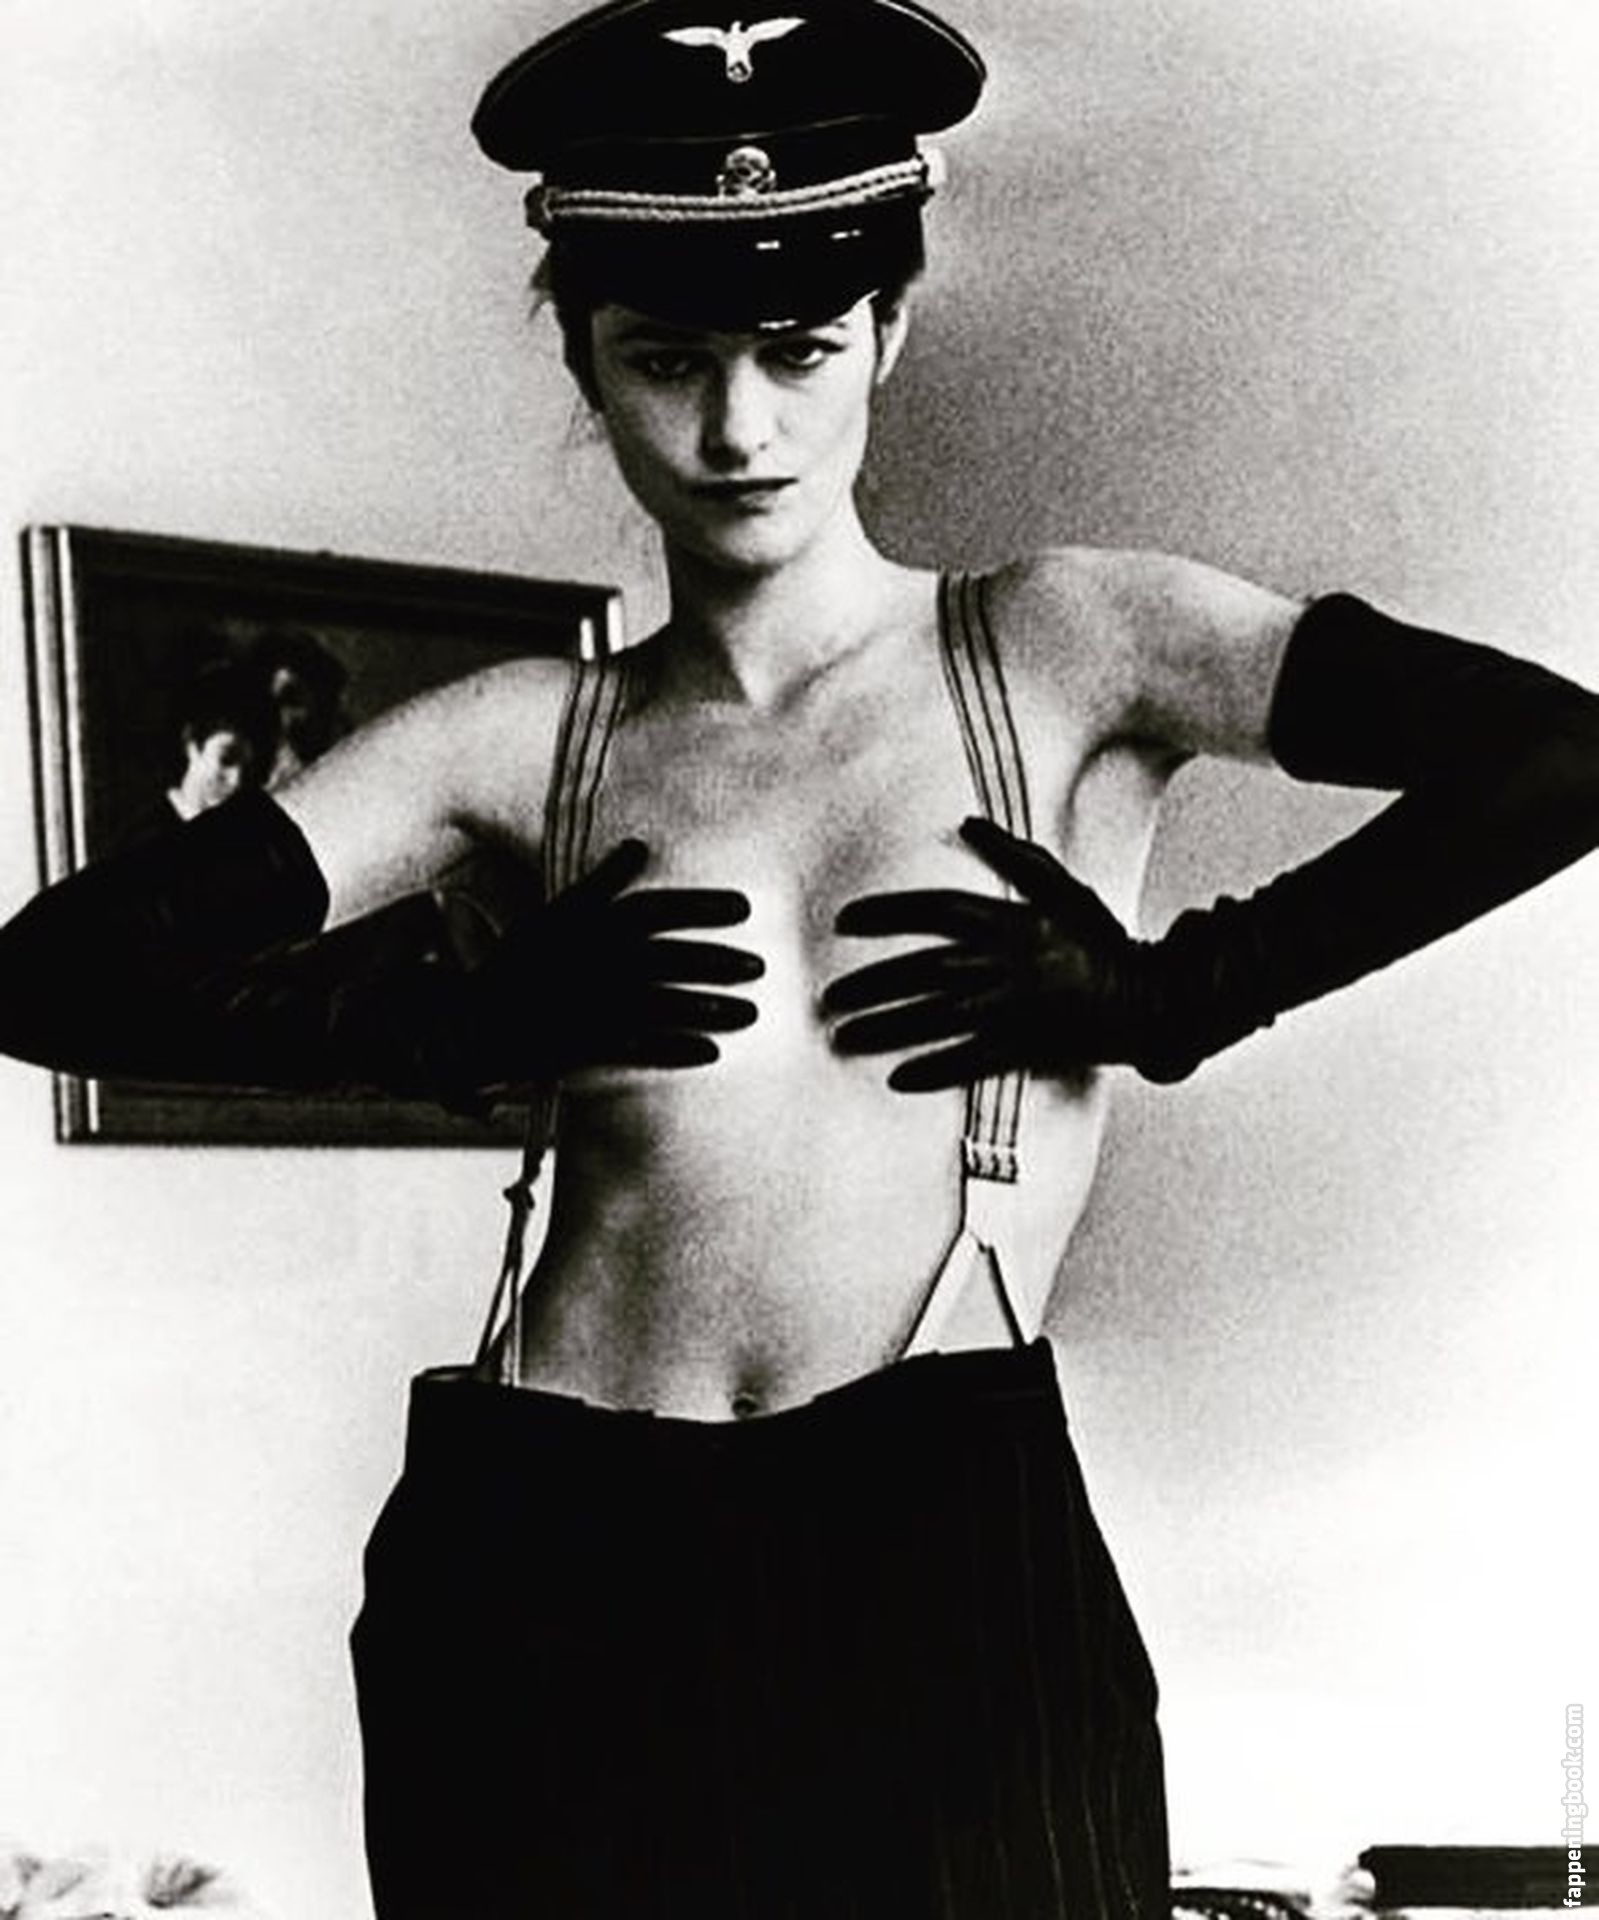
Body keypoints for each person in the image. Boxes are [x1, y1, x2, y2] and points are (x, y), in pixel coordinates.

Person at [0, 0, 1596, 1913]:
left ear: (890, 331)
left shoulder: (1064, 644)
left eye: (800, 348)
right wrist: (444, 1021)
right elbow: (54, 973)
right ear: (586, 363)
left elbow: (1555, 756)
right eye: (667, 360)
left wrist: (1185, 990)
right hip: (546, 1557)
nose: (738, 427)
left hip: (945, 1551)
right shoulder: (525, 735)